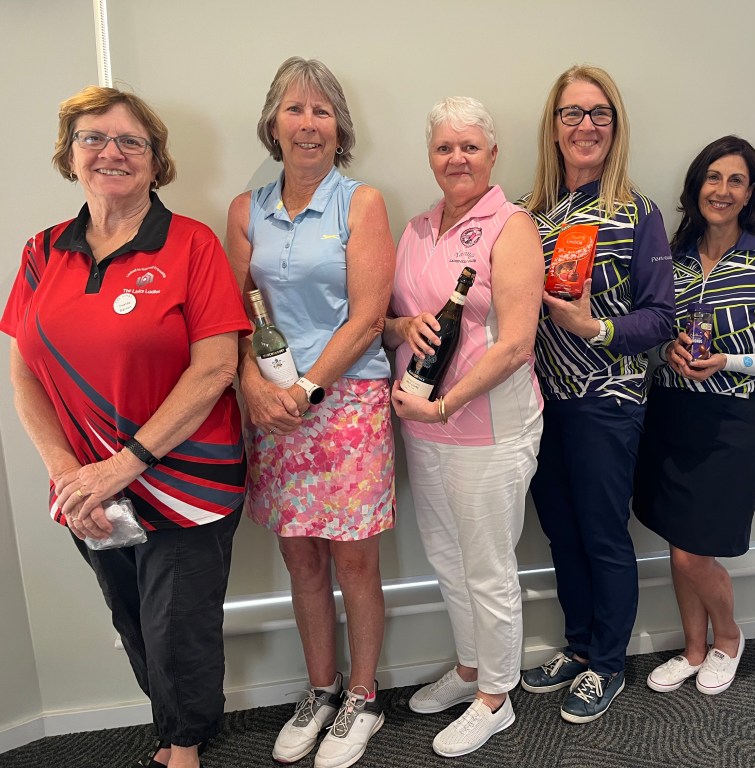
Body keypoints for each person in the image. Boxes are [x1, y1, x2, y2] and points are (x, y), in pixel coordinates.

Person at [2, 86, 249, 768]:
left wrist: (123, 465)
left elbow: (215, 369)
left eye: (130, 141)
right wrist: (67, 473)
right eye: (93, 138)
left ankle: (185, 747)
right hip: (87, 487)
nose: (110, 152)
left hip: (187, 479)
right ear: (70, 154)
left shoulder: (191, 244)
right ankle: (174, 733)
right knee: (133, 618)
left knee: (178, 628)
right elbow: (24, 376)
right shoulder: (41, 252)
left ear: (155, 160)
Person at [226, 57, 396, 768]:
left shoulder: (362, 204)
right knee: (300, 556)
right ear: (273, 123)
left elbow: (368, 318)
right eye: (294, 109)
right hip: (273, 408)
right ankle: (320, 690)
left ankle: (363, 697)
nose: (308, 123)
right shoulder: (246, 211)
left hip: (347, 402)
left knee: (353, 558)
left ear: (339, 128)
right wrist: (252, 385)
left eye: (321, 111)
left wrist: (306, 390)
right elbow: (236, 317)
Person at [386, 96, 544, 758]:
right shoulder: (417, 228)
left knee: (487, 566)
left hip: (488, 429)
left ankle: (496, 697)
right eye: (445, 147)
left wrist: (446, 405)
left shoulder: (512, 227)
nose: (457, 158)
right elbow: (390, 320)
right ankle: (471, 666)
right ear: (431, 156)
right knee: (448, 559)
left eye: (470, 147)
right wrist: (403, 326)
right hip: (423, 425)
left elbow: (517, 344)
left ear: (493, 155)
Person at [518, 65, 674, 723]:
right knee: (560, 529)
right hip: (537, 401)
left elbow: (660, 319)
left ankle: (607, 663)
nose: (586, 126)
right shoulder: (524, 215)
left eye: (599, 113)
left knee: (604, 533)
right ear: (553, 127)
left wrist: (596, 327)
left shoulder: (637, 213)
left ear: (616, 126)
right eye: (573, 113)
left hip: (607, 398)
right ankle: (579, 645)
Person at [633, 136, 755, 697]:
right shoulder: (671, 255)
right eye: (713, 177)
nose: (723, 190)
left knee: (695, 551)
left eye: (736, 180)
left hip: (731, 420)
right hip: (669, 412)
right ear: (696, 187)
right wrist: (666, 351)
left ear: (751, 193)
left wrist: (729, 361)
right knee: (677, 542)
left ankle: (728, 638)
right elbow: (651, 332)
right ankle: (693, 649)